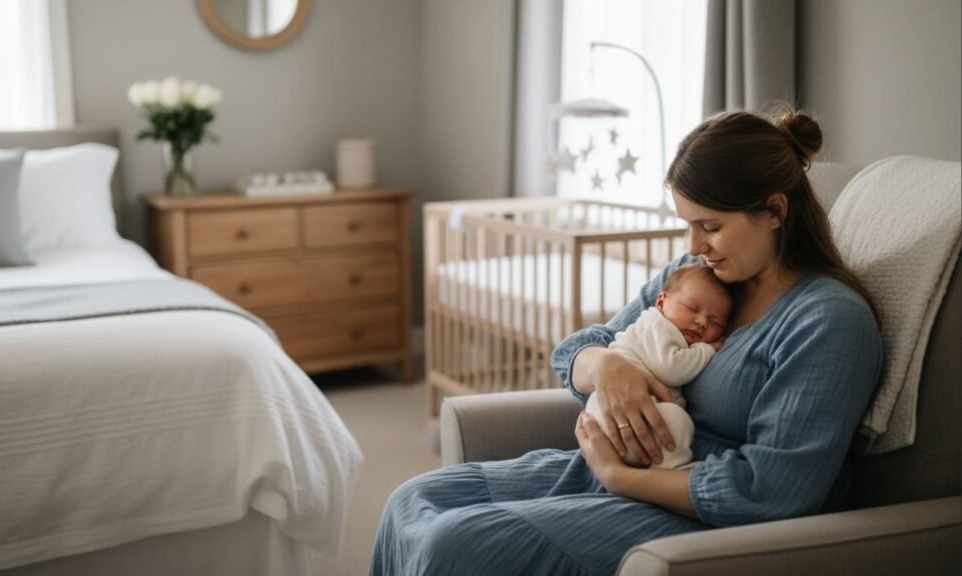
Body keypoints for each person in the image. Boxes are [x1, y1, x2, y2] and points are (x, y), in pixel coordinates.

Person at [371, 106, 883, 576]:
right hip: (611, 468)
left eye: (711, 226)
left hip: (697, 509)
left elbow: (773, 488)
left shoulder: (827, 321)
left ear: (774, 211)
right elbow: (574, 350)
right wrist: (607, 367)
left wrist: (622, 479)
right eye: (688, 225)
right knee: (409, 501)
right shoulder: (698, 277)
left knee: (454, 544)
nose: (694, 246)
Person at [587, 262, 732, 470]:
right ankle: (673, 467)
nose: (701, 322)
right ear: (661, 302)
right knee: (678, 420)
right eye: (692, 309)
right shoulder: (658, 326)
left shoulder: (666, 327)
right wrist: (708, 349)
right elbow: (672, 369)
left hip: (616, 421)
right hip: (619, 415)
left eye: (715, 323)